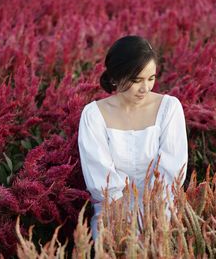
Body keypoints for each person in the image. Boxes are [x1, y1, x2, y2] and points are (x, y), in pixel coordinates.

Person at [77, 35, 188, 240]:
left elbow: (172, 169)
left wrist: (153, 221)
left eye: (151, 78)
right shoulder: (93, 115)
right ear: (115, 78)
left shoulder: (169, 108)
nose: (145, 88)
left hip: (161, 213)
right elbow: (100, 176)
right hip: (112, 217)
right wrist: (127, 228)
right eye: (136, 80)